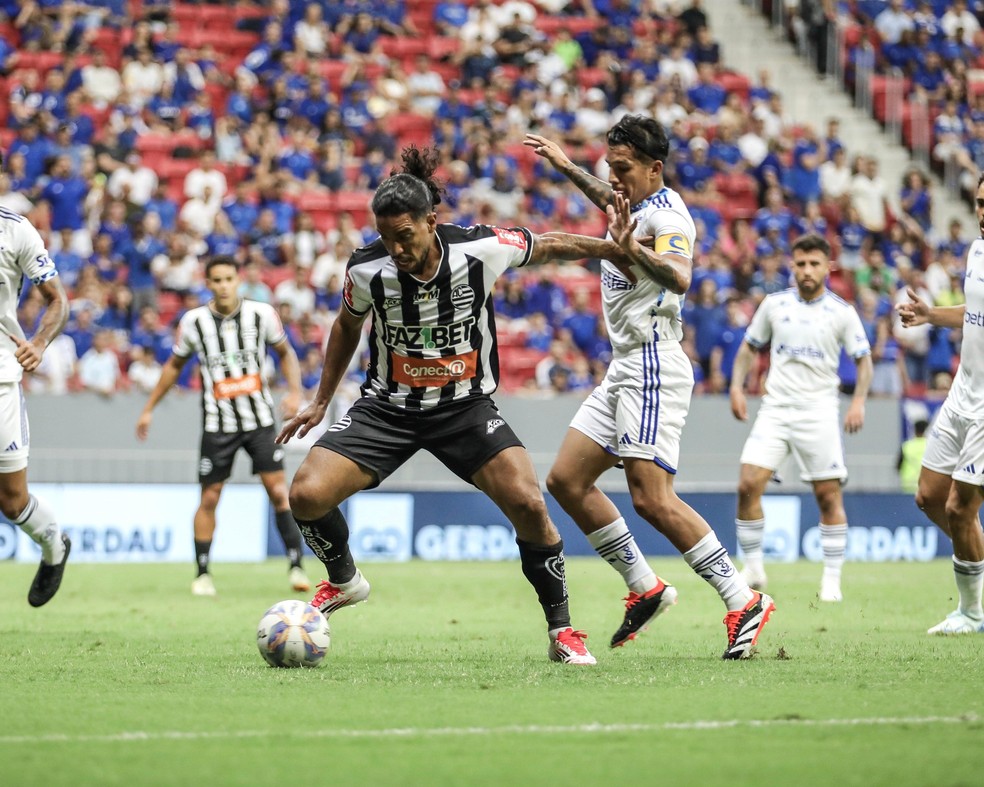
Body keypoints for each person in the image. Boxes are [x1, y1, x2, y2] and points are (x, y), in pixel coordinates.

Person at [277, 147, 643, 666]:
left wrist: (611, 250)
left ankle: (562, 631)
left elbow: (552, 243)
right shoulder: (366, 269)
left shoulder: (482, 248)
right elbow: (346, 326)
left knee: (530, 504)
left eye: (405, 236)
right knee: (307, 495)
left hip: (465, 408)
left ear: (432, 220)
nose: (397, 249)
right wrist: (320, 399)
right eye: (387, 238)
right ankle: (344, 581)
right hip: (387, 408)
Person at [525, 116, 775, 660]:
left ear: (653, 169)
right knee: (567, 480)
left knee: (652, 499)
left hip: (654, 363)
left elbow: (680, 276)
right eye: (609, 168)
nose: (612, 180)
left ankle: (743, 599)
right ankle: (646, 588)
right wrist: (567, 166)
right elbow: (608, 199)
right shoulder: (632, 206)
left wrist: (629, 251)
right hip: (623, 366)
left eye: (622, 170)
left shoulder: (669, 216)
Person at [136, 256, 310, 597]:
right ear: (208, 283)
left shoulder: (261, 314)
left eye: (229, 279)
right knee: (211, 497)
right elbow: (174, 366)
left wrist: (294, 392)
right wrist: (148, 408)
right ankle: (202, 573)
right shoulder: (194, 322)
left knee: (278, 492)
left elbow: (285, 353)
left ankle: (296, 565)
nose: (224, 285)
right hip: (218, 425)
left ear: (238, 280)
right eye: (216, 280)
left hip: (260, 420)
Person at [729, 234, 873, 602]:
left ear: (828, 267)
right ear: (792, 266)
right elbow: (749, 347)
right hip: (775, 408)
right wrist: (735, 386)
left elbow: (864, 360)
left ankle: (831, 580)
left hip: (819, 412)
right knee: (747, 484)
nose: (807, 270)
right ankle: (755, 567)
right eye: (801, 264)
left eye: (814, 264)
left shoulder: (842, 312)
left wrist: (858, 402)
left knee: (827, 496)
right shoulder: (774, 305)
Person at [897, 174, 984, 635]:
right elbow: (973, 316)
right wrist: (932, 315)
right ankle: (977, 559)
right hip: (962, 392)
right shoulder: (976, 251)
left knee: (959, 508)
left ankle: (971, 613)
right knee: (929, 497)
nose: (983, 212)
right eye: (980, 203)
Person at [0, 190, 71, 606]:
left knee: (12, 500)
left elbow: (57, 300)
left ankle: (53, 545)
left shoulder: (16, 230)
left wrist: (41, 341)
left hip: (2, 380)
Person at [897, 418, 928, 494]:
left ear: (914, 430)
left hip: (908, 485)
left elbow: (898, 466)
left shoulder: (906, 445)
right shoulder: (930, 445)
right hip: (925, 484)